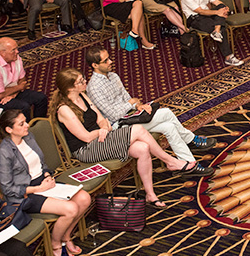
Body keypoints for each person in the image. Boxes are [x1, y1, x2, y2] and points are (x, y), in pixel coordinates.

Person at [49, 70, 200, 208]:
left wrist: (103, 128)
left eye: (83, 79)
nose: (85, 82)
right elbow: (86, 137)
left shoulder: (83, 95)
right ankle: (170, 161)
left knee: (143, 148)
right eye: (80, 82)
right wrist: (101, 130)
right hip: (86, 149)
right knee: (139, 130)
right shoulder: (64, 109)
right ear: (70, 88)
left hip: (102, 139)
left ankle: (150, 194)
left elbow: (101, 120)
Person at [84, 47, 216, 173]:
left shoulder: (113, 76)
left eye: (109, 58)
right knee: (166, 113)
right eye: (105, 60)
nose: (111, 62)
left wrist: (137, 106)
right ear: (95, 65)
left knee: (169, 127)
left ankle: (189, 163)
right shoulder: (94, 88)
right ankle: (191, 140)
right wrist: (131, 103)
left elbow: (128, 98)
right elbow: (113, 114)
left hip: (131, 116)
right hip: (119, 127)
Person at [0, 109, 92, 256]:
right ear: (9, 130)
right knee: (71, 209)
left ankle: (66, 235)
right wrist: (39, 189)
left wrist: (46, 175)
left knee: (84, 198)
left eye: (25, 121)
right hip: (27, 194)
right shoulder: (4, 152)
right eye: (22, 124)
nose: (27, 125)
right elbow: (8, 189)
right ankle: (56, 244)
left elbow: (41, 162)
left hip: (43, 183)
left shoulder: (28, 137)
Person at [181, 0, 244, 67]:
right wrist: (218, 13)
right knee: (223, 27)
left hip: (207, 14)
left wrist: (224, 7)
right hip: (195, 19)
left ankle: (216, 31)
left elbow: (216, 1)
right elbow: (200, 11)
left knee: (221, 6)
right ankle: (228, 57)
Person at [0, 38, 48, 119]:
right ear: (3, 53)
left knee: (41, 98)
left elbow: (22, 81)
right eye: (13, 50)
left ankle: (38, 126)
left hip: (11, 92)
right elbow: (0, 95)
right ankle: (26, 130)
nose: (17, 51)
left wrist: (14, 94)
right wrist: (18, 88)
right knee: (23, 107)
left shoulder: (16, 58)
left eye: (17, 48)